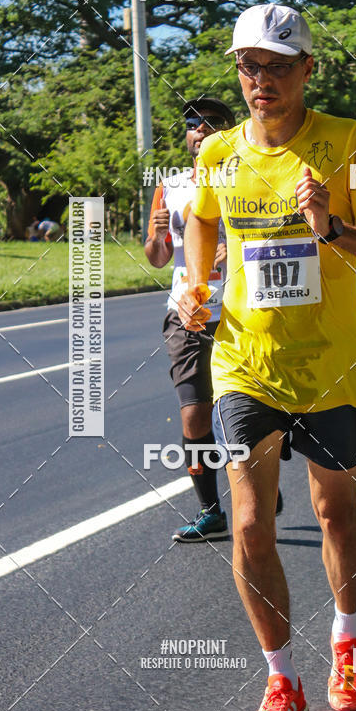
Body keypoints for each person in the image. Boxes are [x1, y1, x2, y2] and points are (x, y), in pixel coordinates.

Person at [178, 3, 356, 711]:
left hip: (330, 367)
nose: (262, 81)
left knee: (335, 514)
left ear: (308, 69)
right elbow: (201, 220)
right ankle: (282, 683)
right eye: (250, 66)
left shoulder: (348, 140)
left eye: (278, 66)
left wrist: (330, 226)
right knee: (250, 523)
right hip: (244, 362)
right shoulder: (219, 153)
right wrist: (195, 283)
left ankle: (347, 637)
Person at [145, 97, 235, 542]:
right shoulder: (170, 186)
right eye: (192, 122)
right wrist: (160, 234)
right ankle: (210, 511)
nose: (199, 129)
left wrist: (234, 247)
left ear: (228, 132)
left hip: (241, 311)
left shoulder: (247, 180)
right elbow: (157, 257)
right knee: (195, 416)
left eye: (210, 122)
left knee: (249, 412)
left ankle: (257, 478)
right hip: (189, 315)